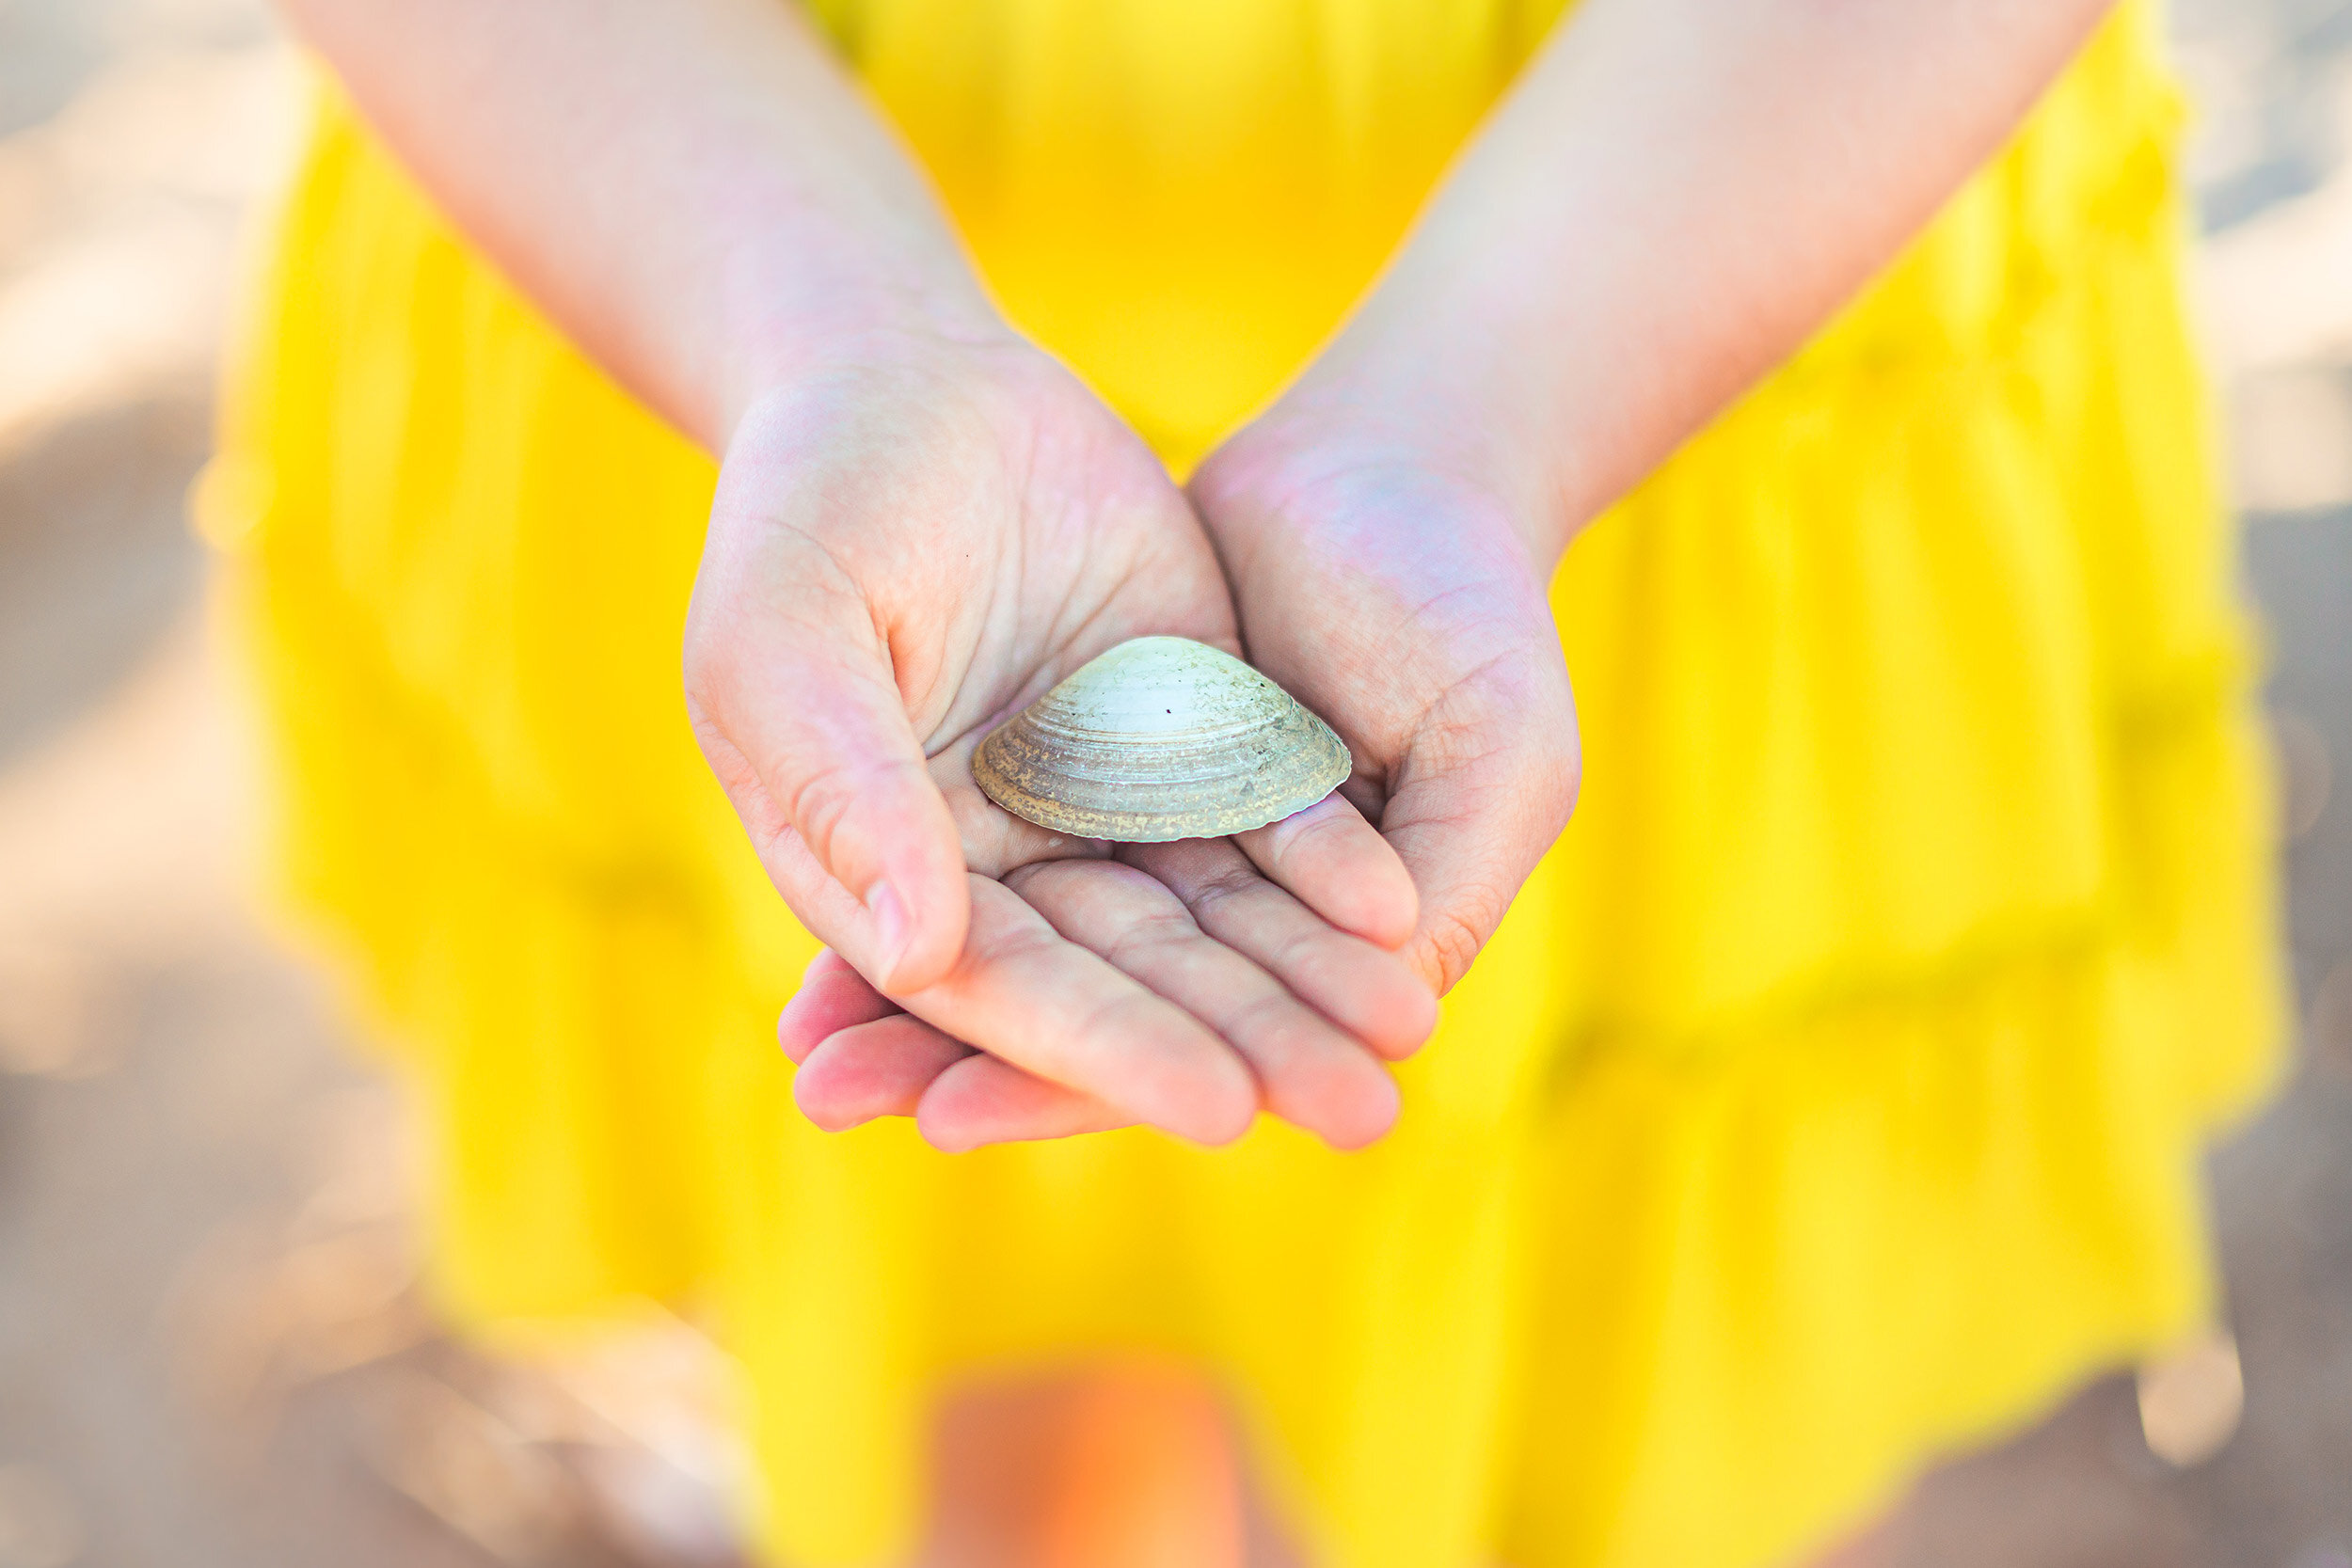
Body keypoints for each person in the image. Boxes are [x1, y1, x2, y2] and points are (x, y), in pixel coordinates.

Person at [194, 0, 2284, 1562]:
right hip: (688, 192)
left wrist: (1487, 411)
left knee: (1577, 1385)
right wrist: (828, 343)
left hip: (1694, 235)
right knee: (998, 1331)